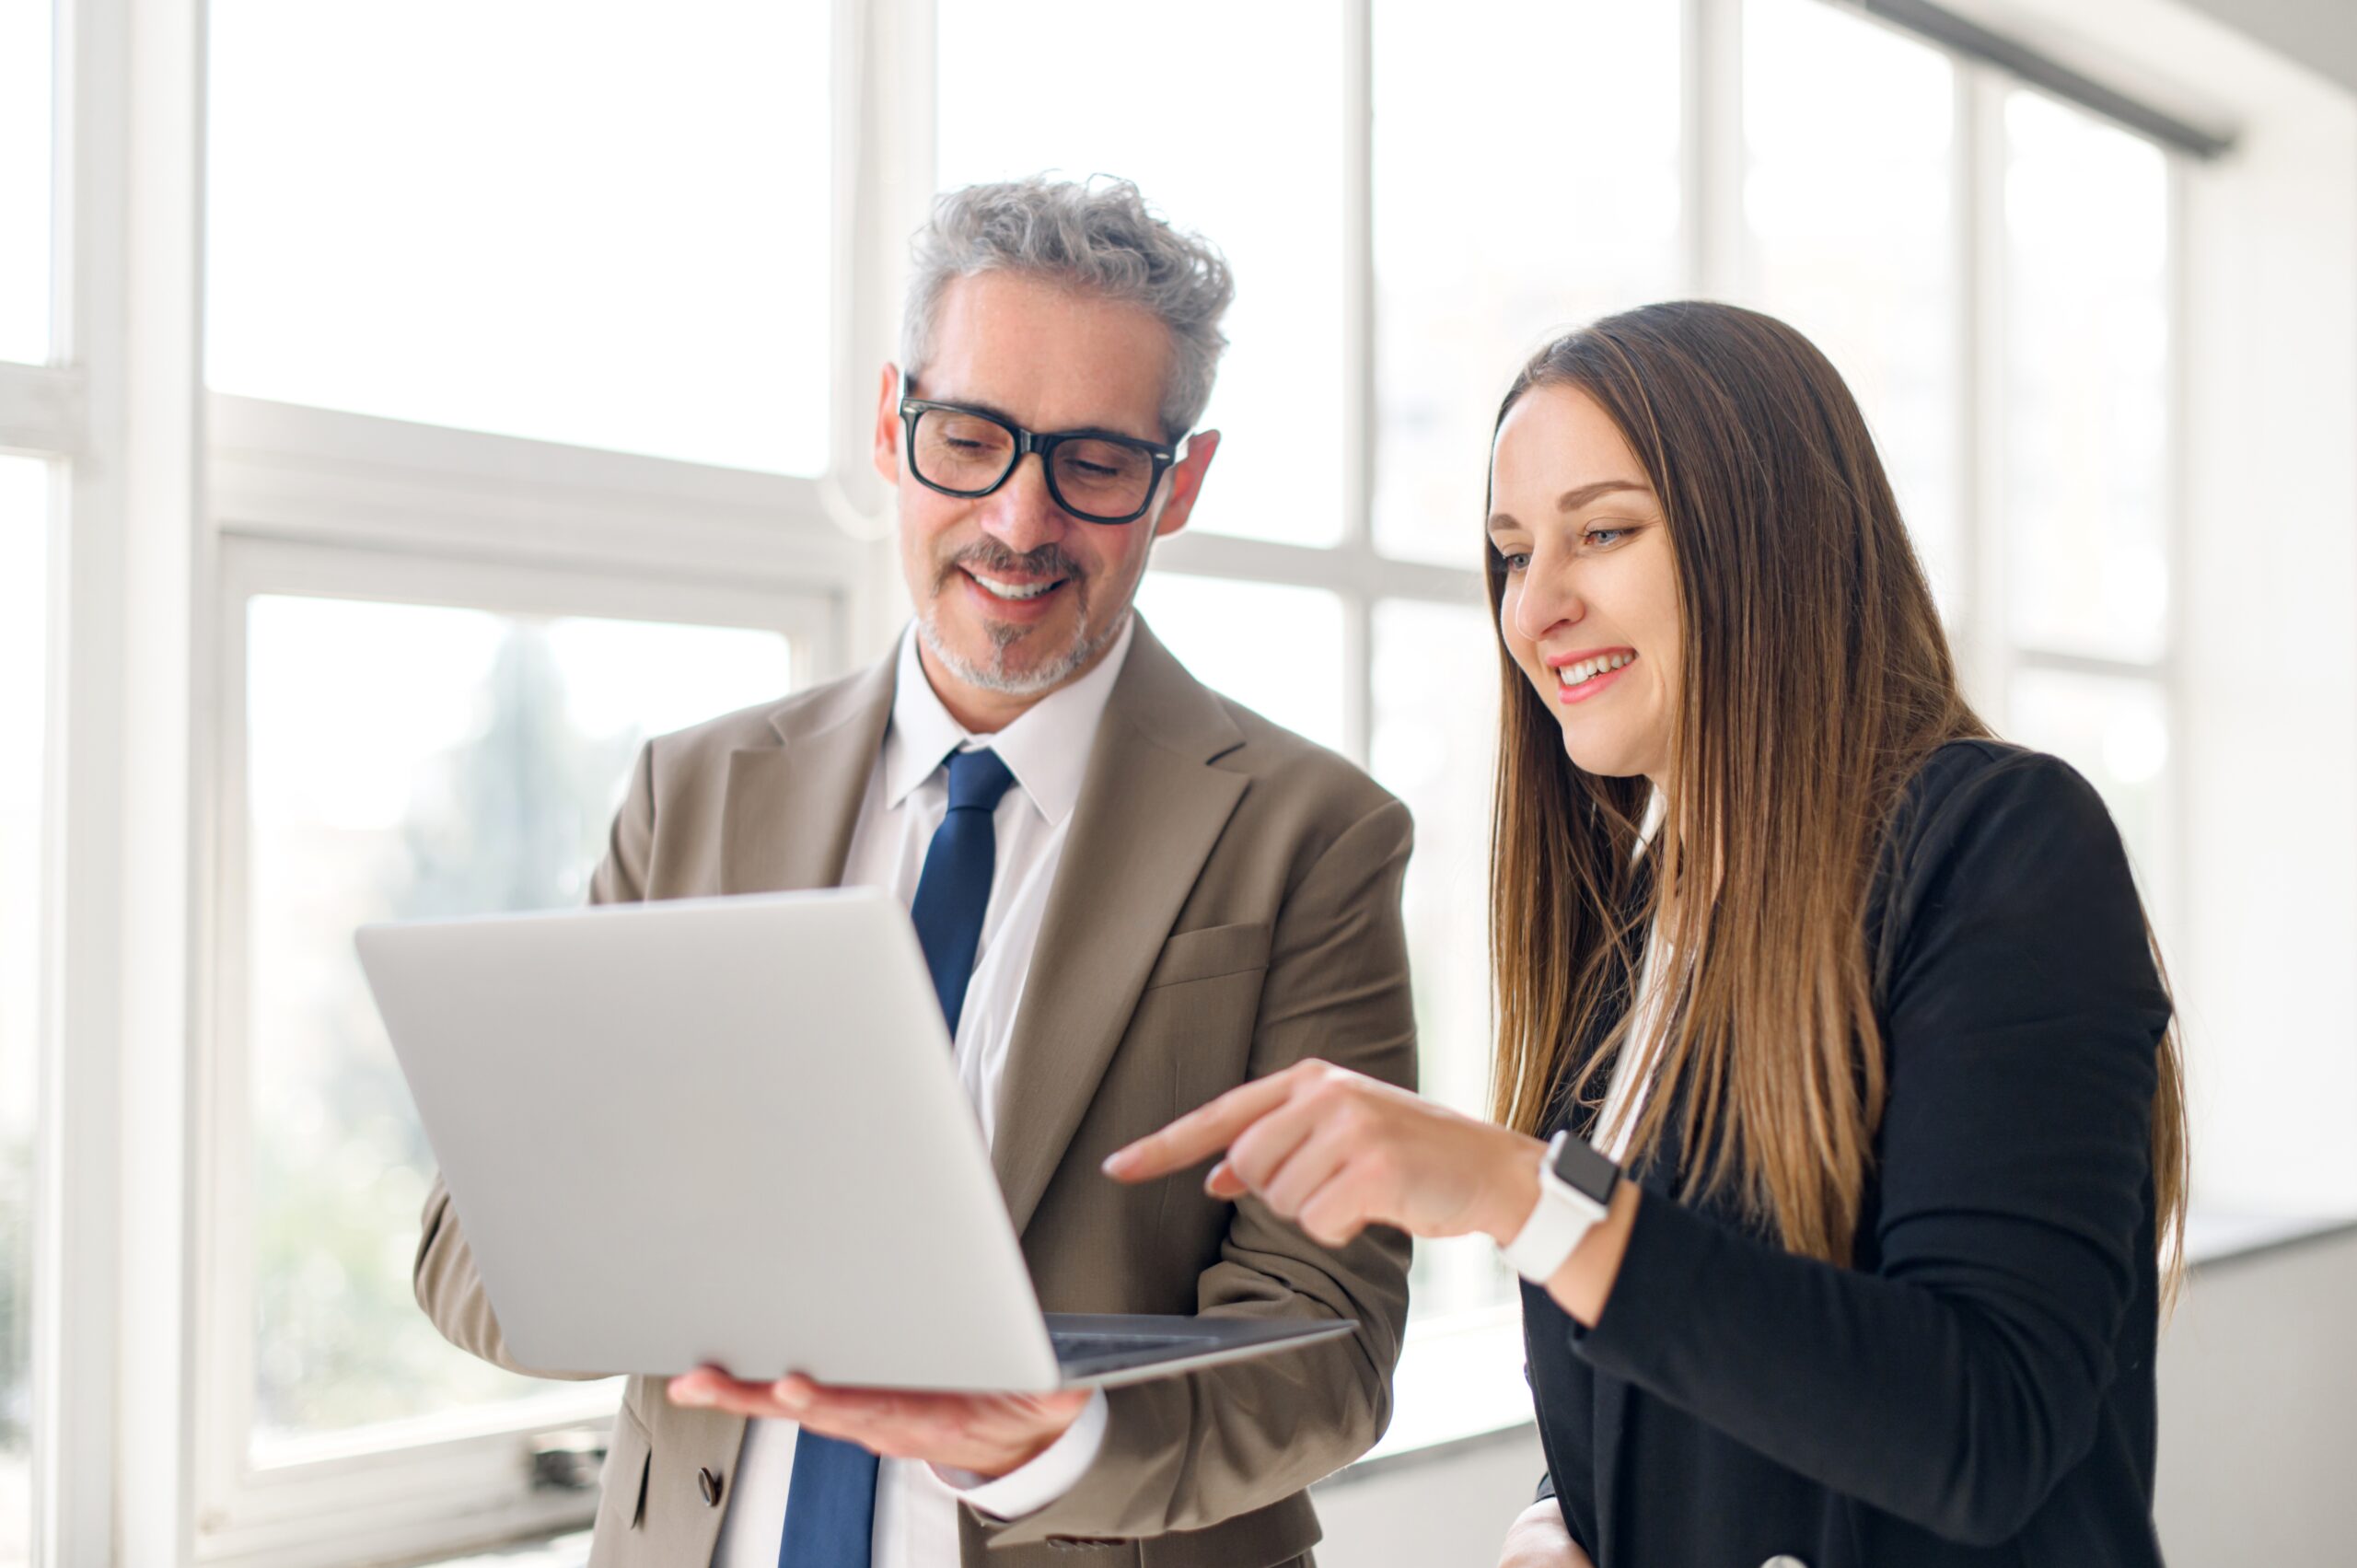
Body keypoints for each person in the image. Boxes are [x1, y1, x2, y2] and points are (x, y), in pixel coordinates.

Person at [412, 176, 1418, 1568]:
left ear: (1179, 485)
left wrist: (1047, 1444)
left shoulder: (1313, 835)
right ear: (894, 426)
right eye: (970, 439)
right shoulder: (694, 794)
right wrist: (684, 1244)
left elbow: (1328, 1342)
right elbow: (468, 1248)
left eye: (1094, 463)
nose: (1019, 518)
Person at [1109, 300, 2189, 1568]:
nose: (1535, 608)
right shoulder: (1644, 924)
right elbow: (1702, 1330)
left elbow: (1982, 1430)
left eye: (1604, 532)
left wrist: (1516, 1189)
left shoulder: (2000, 844)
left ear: (1772, 539)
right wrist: (1564, 1518)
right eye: (1513, 554)